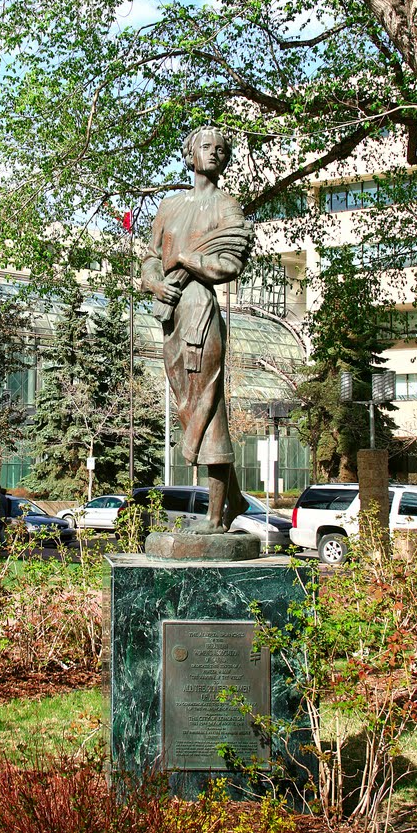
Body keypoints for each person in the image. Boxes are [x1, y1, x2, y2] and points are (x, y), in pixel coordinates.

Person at [141, 126, 254, 532]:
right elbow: (151, 258)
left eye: (222, 150)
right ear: (190, 155)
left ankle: (215, 518)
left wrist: (189, 260)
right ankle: (235, 499)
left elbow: (231, 261)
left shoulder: (228, 208)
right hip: (172, 318)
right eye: (207, 147)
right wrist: (156, 283)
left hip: (202, 315)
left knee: (209, 406)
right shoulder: (170, 206)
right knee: (188, 410)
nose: (215, 154)